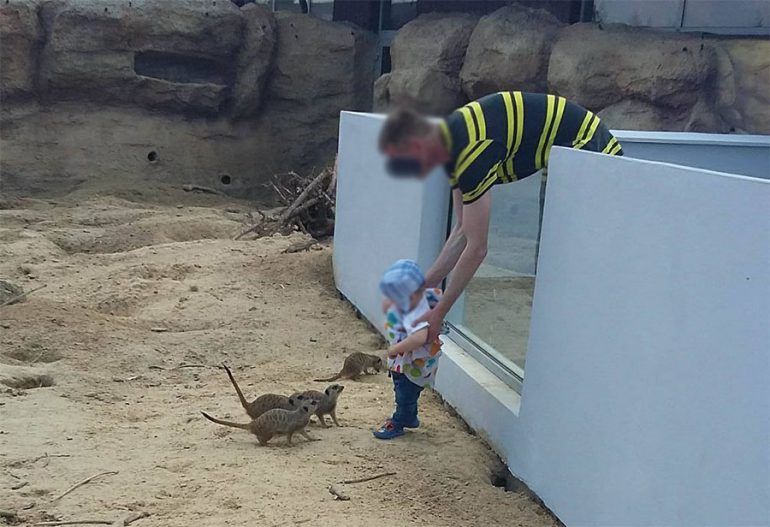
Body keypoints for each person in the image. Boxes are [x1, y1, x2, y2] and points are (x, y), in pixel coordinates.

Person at [379, 91, 623, 342]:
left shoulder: (471, 154)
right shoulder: (451, 139)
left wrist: (439, 313)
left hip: (592, 149)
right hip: (568, 149)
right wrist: (422, 288)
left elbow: (477, 249)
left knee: (574, 261)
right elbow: (462, 230)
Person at [373, 259, 442, 440]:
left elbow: (419, 338)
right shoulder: (411, 305)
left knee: (404, 395)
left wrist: (394, 349)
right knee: (404, 392)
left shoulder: (417, 314)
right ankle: (410, 417)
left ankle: (398, 422)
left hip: (412, 366)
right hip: (404, 364)